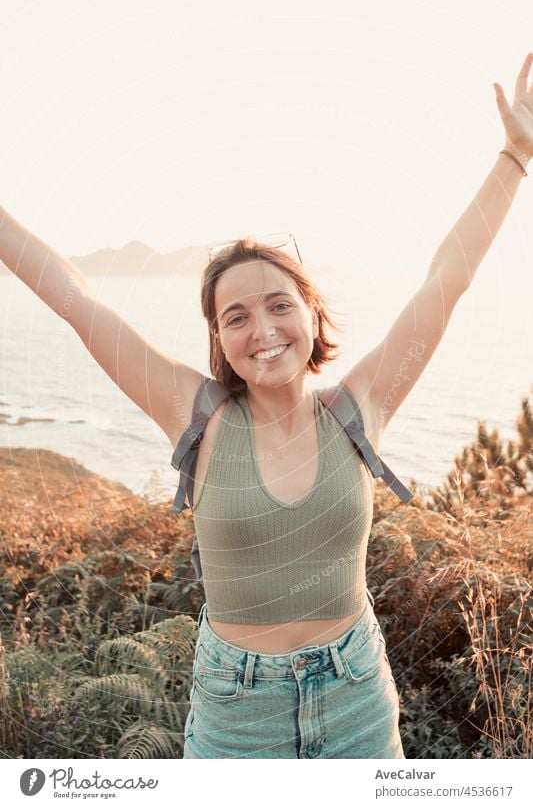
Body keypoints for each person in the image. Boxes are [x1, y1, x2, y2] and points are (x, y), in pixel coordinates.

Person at [1, 54, 532, 760]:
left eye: (280, 305)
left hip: (354, 700)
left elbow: (448, 277)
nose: (263, 330)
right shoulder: (200, 414)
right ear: (218, 336)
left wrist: (512, 158)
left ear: (311, 315)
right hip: (235, 709)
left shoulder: (362, 403)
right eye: (236, 315)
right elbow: (77, 299)